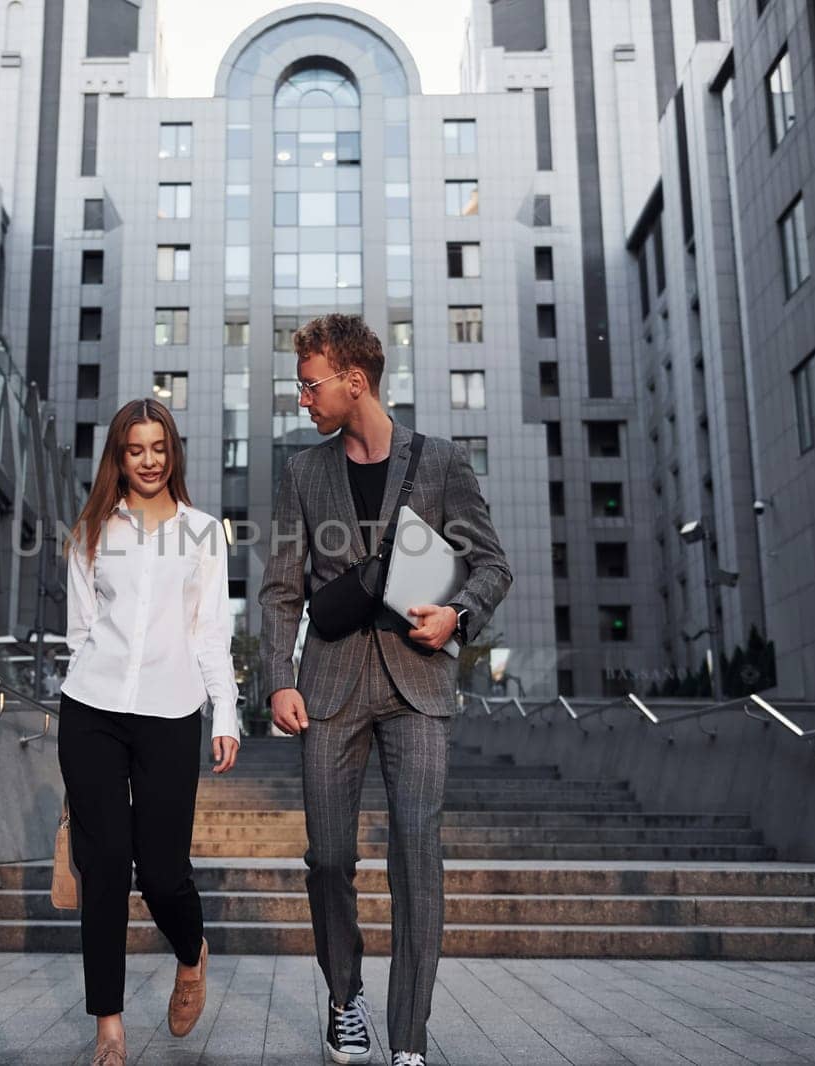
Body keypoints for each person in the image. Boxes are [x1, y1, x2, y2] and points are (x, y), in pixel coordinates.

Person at [259, 314, 512, 1066]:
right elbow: (280, 589)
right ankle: (345, 998)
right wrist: (276, 679)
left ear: (353, 381)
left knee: (415, 855)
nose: (302, 399)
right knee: (329, 857)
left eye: (311, 384)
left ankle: (408, 1040)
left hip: (419, 686)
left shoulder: (440, 463)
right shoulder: (302, 473)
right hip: (329, 685)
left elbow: (491, 564)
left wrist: (458, 615)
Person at [59, 397, 242, 1066]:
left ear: (173, 451)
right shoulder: (90, 530)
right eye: (134, 449)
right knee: (104, 868)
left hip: (171, 713)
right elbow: (79, 633)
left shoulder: (201, 532)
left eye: (157, 447)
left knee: (163, 874)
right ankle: (108, 1026)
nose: (147, 460)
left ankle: (190, 954)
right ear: (119, 455)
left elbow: (209, 632)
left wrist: (225, 712)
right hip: (91, 711)